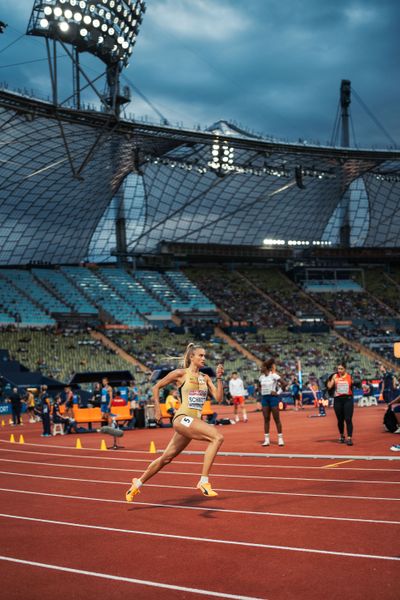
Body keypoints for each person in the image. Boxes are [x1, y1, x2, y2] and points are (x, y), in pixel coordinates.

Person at [125, 343, 224, 501]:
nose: (204, 358)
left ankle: (137, 484)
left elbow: (219, 398)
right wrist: (158, 409)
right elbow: (156, 387)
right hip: (182, 418)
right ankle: (204, 481)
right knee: (217, 437)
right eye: (201, 355)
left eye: (205, 356)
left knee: (166, 458)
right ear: (192, 357)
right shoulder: (180, 374)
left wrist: (218, 378)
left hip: (192, 423)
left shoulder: (205, 378)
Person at [259, 358, 286, 447]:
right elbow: (260, 387)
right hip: (264, 399)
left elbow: (284, 384)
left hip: (273, 398)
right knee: (266, 419)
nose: (260, 368)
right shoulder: (261, 377)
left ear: (266, 368)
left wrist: (277, 393)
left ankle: (280, 439)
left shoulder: (274, 375)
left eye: (262, 367)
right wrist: (261, 392)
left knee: (276, 419)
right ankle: (266, 440)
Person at [327, 361, 354, 446]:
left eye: (341, 369)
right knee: (340, 420)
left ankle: (349, 438)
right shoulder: (335, 376)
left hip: (348, 400)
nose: (339, 370)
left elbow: (355, 385)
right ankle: (342, 435)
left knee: (348, 419)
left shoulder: (350, 377)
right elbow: (329, 386)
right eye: (338, 368)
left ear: (345, 369)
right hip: (338, 400)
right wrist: (330, 379)